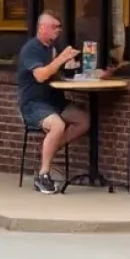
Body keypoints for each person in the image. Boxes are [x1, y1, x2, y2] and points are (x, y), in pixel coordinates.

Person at [16, 11, 90, 195]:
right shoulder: (31, 49)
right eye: (54, 27)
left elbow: (57, 74)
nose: (58, 30)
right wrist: (61, 59)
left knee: (84, 120)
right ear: (42, 27)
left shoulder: (52, 48)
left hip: (54, 100)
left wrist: (74, 69)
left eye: (59, 27)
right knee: (57, 125)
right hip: (33, 104)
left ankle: (48, 152)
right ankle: (43, 175)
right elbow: (40, 76)